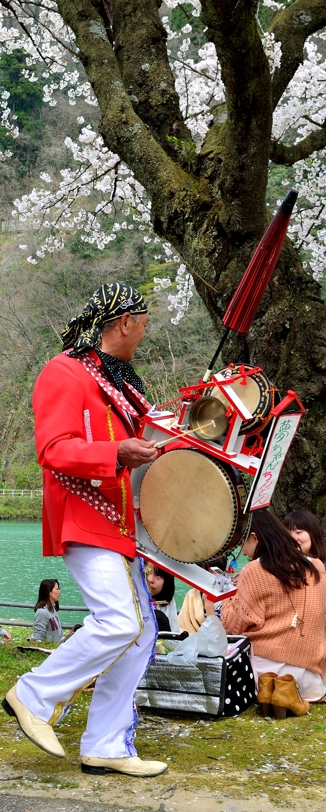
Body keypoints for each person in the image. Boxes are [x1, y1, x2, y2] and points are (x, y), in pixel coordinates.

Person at [2, 282, 166, 778]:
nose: (144, 332)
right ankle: (33, 694)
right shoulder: (65, 371)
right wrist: (116, 453)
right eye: (143, 322)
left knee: (140, 636)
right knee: (119, 622)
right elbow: (53, 449)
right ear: (124, 322)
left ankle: (107, 745)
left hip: (122, 523)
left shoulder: (120, 380)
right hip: (85, 511)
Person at [220, 510, 326, 714]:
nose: (243, 553)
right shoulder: (317, 566)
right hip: (311, 681)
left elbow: (231, 628)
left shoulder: (253, 570)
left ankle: (272, 697)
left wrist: (226, 596)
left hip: (263, 678)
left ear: (254, 537)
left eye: (242, 544)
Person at [283, 509, 326, 639]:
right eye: (287, 533)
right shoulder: (276, 568)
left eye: (298, 532)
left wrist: (308, 607)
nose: (292, 538)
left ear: (313, 534)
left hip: (316, 643)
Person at [178, 555, 227, 635]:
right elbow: (183, 626)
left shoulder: (229, 600)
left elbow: (220, 634)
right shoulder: (192, 595)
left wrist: (209, 606)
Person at [145, 565, 179, 633]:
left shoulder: (169, 602)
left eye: (158, 575)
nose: (150, 579)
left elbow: (174, 632)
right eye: (147, 572)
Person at [31, 579, 64, 645]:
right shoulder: (42, 612)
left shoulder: (53, 609)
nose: (59, 592)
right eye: (57, 589)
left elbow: (59, 636)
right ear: (49, 592)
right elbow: (38, 639)